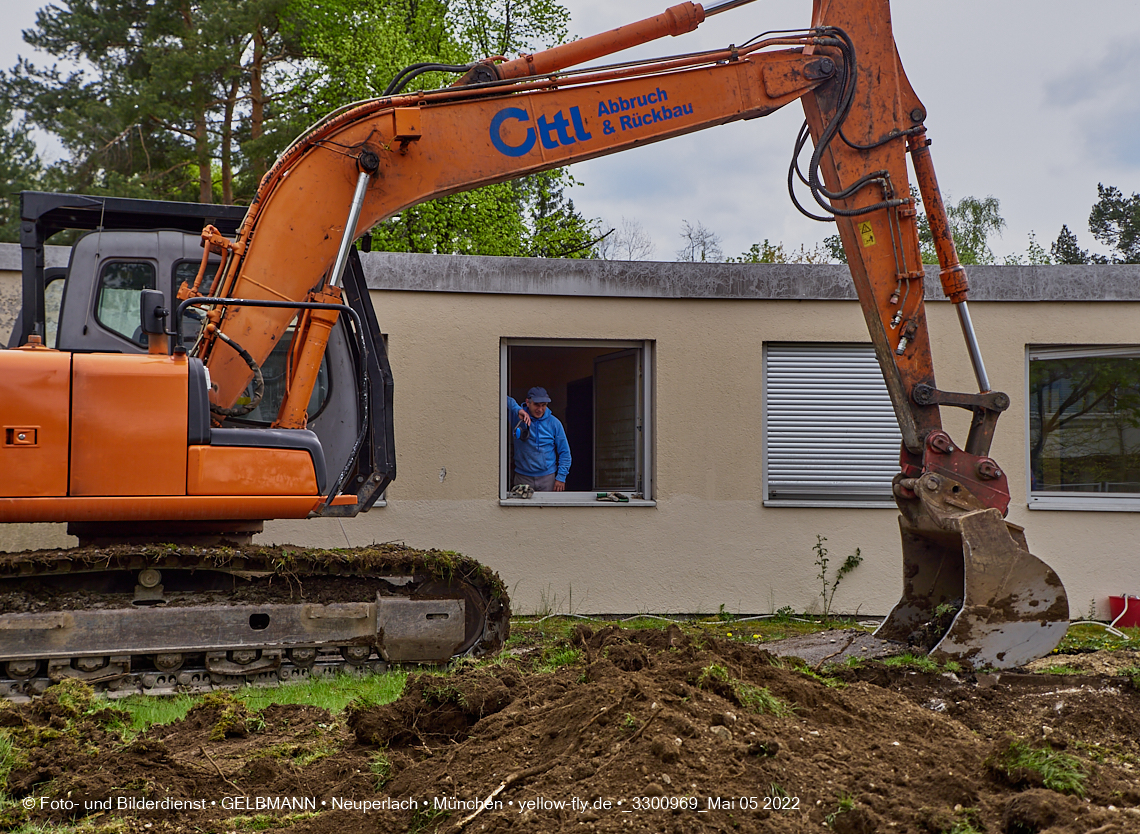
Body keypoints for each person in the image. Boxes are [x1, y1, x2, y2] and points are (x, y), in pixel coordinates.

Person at [507, 386, 571, 492]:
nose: (540, 409)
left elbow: (565, 452)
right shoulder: (517, 417)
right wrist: (517, 409)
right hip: (522, 476)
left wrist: (561, 477)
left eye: (543, 405)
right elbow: (499, 396)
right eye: (536, 404)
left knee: (547, 509)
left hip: (547, 477)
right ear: (528, 402)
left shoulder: (554, 423)